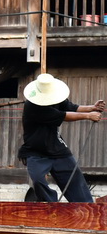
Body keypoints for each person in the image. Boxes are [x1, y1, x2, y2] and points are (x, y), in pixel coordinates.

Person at [18, 73, 102, 203]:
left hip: (57, 148)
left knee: (75, 179)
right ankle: (51, 205)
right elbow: (63, 115)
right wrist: (88, 116)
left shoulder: (56, 98)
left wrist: (92, 107)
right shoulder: (32, 106)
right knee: (38, 179)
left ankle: (85, 208)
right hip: (35, 151)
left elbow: (72, 107)